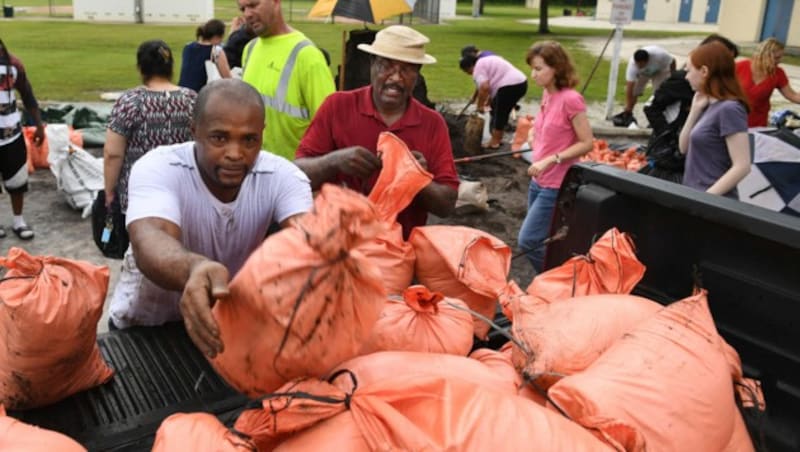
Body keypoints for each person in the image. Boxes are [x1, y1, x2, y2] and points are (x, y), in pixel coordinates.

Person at [108, 79, 313, 358]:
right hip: (145, 327)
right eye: (219, 137)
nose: (234, 154)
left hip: (222, 327)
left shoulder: (284, 177)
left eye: (249, 140)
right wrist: (193, 269)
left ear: (262, 135)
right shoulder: (159, 167)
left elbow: (309, 242)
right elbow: (151, 236)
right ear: (194, 131)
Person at [295, 25, 458, 239]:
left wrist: (415, 177)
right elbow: (297, 175)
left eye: (407, 69)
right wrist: (334, 161)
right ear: (372, 65)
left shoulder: (432, 123)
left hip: (398, 252)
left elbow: (446, 205)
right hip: (337, 243)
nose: (396, 78)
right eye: (386, 66)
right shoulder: (337, 106)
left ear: (417, 75)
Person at [518, 41, 593, 273]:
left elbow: (587, 142)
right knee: (542, 240)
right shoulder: (547, 94)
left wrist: (551, 159)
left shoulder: (570, 99)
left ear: (557, 68)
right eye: (532, 68)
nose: (533, 75)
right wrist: (533, 133)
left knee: (528, 240)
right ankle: (553, 284)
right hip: (538, 181)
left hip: (557, 185)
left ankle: (557, 280)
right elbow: (551, 130)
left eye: (539, 69)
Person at [104, 40, 197, 219]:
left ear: (141, 68)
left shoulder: (130, 102)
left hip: (138, 198)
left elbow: (112, 153)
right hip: (183, 195)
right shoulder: (192, 99)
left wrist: (109, 191)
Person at [238, 0, 335, 160]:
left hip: (294, 175)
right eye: (243, 8)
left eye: (254, 5)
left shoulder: (307, 56)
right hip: (255, 169)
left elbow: (330, 128)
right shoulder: (250, 49)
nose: (247, 14)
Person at [679, 41, 750, 198]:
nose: (686, 76)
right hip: (693, 194)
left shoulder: (729, 109)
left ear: (704, 71)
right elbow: (683, 148)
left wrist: (706, 198)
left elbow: (742, 166)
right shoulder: (709, 104)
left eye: (689, 70)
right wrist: (695, 111)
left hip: (713, 202)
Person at [0, 38, 44, 240]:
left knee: (17, 181)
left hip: (11, 136)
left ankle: (18, 221)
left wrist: (39, 125)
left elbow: (27, 94)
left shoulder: (13, 65)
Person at [459, 53, 528, 149]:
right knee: (495, 108)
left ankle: (495, 142)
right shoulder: (485, 61)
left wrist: (480, 106)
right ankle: (496, 136)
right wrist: (488, 102)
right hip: (521, 83)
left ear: (469, 66)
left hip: (510, 85)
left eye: (467, 71)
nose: (468, 74)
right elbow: (490, 84)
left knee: (500, 113)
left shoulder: (478, 68)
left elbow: (484, 87)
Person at [736, 37, 800, 127]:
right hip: (733, 119)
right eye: (776, 58)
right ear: (764, 55)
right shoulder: (739, 67)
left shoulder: (778, 73)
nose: (780, 61)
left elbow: (792, 95)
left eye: (781, 57)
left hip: (757, 123)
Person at [614, 45, 676, 125]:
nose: (638, 66)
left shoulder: (660, 55)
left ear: (647, 60)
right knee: (635, 91)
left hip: (661, 70)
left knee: (659, 93)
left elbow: (672, 61)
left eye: (641, 64)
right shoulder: (633, 65)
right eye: (637, 64)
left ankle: (658, 117)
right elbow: (630, 87)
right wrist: (628, 106)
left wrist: (674, 76)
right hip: (644, 73)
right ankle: (629, 113)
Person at [178, 19, 232, 93]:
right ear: (217, 36)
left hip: (181, 92)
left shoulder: (188, 47)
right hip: (200, 95)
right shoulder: (216, 51)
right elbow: (228, 79)